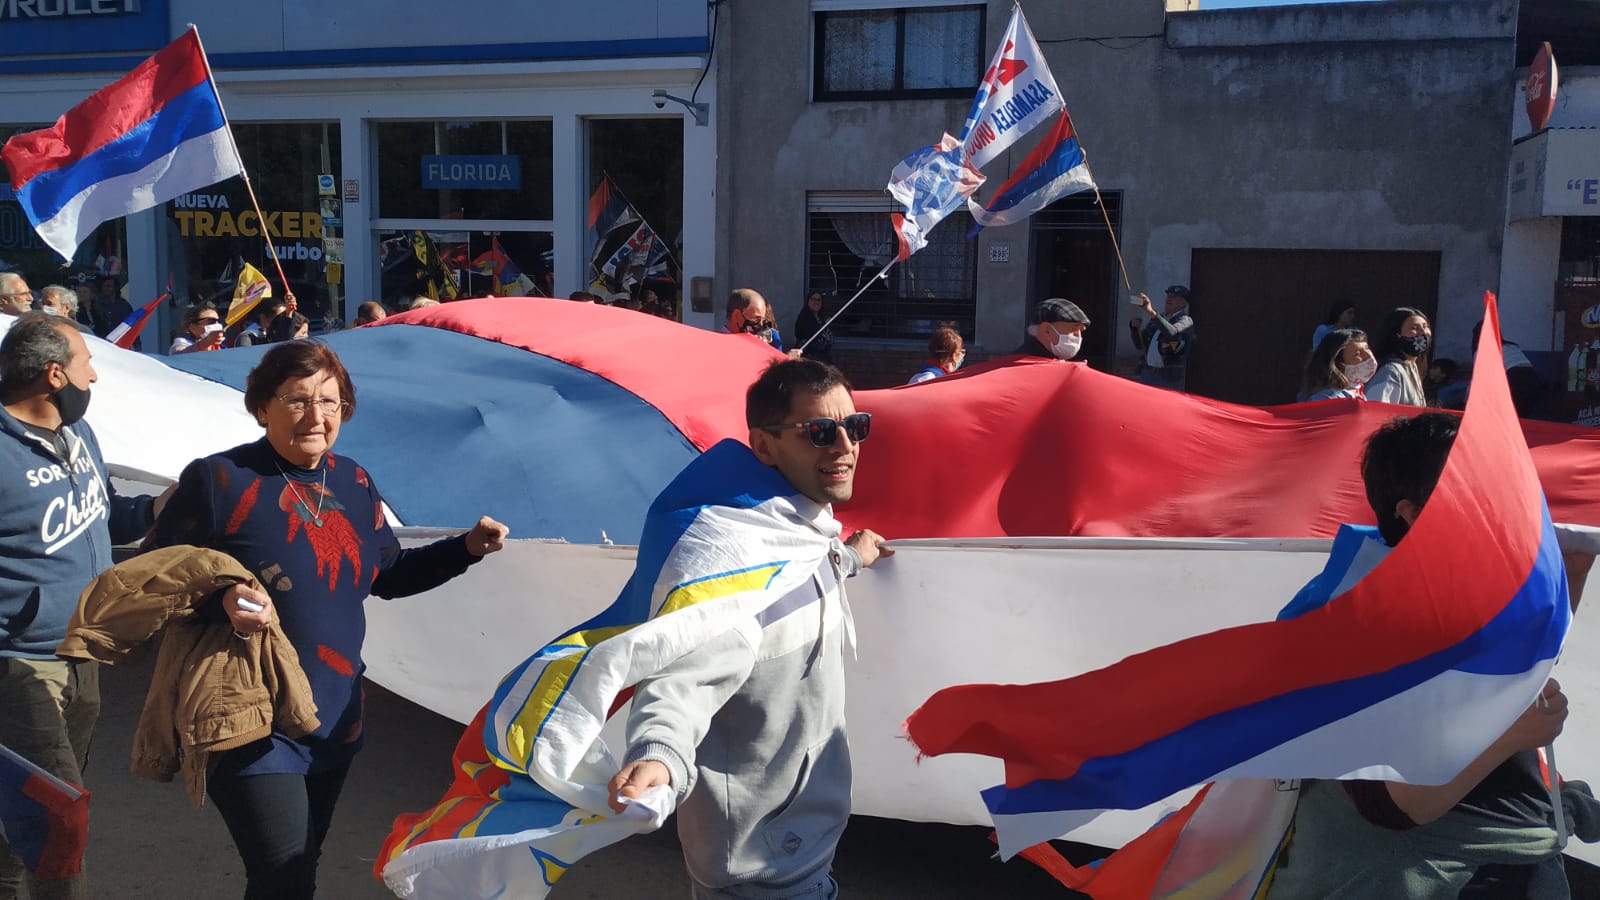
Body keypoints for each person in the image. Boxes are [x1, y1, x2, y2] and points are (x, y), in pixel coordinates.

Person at [145, 340, 510, 898]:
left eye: (331, 402)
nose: (316, 416)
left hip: (334, 710)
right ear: (262, 406)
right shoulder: (219, 480)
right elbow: (156, 581)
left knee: (297, 868)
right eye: (296, 400)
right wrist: (218, 601)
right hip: (250, 707)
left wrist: (467, 548)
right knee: (283, 872)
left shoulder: (354, 481)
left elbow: (387, 575)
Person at [1267, 413, 1595, 898]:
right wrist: (1511, 736)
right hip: (1415, 873)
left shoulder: (1472, 589)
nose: (1508, 502)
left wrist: (1571, 568)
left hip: (1515, 851)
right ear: (1413, 512)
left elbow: (1531, 650)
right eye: (1480, 488)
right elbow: (1390, 806)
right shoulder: (1355, 624)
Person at [608, 358, 890, 900]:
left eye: (856, 428)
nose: (844, 447)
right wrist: (657, 754)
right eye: (819, 432)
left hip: (797, 852)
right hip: (758, 871)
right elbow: (682, 677)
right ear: (763, 447)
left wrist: (849, 559)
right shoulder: (729, 562)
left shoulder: (796, 536)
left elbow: (798, 576)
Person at [1, 312, 162, 899]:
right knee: (57, 820)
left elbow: (107, 512)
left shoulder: (81, 437)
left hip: (84, 651)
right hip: (20, 666)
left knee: (23, 815)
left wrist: (153, 510)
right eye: (85, 364)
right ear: (52, 376)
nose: (93, 377)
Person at [1129, 285, 1195, 390]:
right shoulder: (1158, 319)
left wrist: (1152, 313)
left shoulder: (1185, 320)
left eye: (1174, 297)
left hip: (1167, 377)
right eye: (1168, 296)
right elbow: (1140, 345)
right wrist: (1134, 328)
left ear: (1183, 303)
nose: (1169, 298)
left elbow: (1172, 332)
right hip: (1148, 374)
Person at [1365, 306, 1431, 407]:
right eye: (1414, 328)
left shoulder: (1411, 366)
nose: (1423, 332)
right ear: (1396, 334)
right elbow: (1375, 411)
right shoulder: (1390, 372)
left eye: (1425, 326)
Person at [1300, 328, 1375, 402]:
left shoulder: (1357, 393)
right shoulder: (1325, 399)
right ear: (1338, 365)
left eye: (1367, 349)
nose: (1369, 356)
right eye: (1357, 354)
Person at [1018, 297, 1090, 361]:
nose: (1078, 336)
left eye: (1081, 330)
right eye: (1073, 328)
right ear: (1046, 330)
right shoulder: (1020, 364)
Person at [793, 291, 834, 362]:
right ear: (808, 301)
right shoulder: (804, 317)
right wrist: (824, 325)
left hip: (823, 358)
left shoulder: (821, 318)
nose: (816, 302)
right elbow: (802, 334)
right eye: (813, 299)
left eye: (819, 300)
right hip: (809, 358)